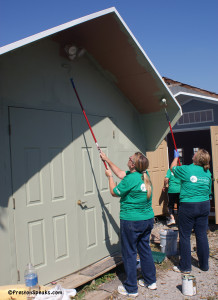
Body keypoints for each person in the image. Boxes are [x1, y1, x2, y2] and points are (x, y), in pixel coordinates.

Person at [100, 151, 156, 297]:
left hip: (132, 221)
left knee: (129, 253)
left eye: (130, 158)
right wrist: (107, 159)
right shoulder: (144, 175)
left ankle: (131, 289)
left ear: (133, 164)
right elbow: (121, 173)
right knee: (144, 249)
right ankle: (151, 281)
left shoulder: (130, 179)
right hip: (147, 220)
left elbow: (114, 192)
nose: (128, 158)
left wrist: (109, 177)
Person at [170, 149, 212, 273]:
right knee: (201, 235)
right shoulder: (207, 172)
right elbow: (208, 190)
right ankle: (204, 265)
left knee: (185, 236)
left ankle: (185, 266)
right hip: (204, 205)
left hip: (188, 205)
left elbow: (172, 168)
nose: (193, 154)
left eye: (195, 153)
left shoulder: (186, 169)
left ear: (197, 158)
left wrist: (175, 158)